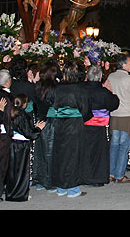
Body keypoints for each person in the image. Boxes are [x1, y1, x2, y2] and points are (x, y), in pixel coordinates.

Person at [50, 61, 92, 198]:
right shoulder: (80, 89)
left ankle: (61, 186)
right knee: (73, 155)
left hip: (59, 124)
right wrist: (78, 117)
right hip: (74, 124)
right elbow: (85, 110)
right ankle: (72, 188)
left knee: (60, 154)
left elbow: (51, 104)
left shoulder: (56, 88)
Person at [80, 65, 119, 187]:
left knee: (84, 151)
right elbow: (114, 104)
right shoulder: (103, 91)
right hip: (98, 125)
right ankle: (96, 179)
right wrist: (111, 93)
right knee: (99, 153)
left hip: (82, 124)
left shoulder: (81, 88)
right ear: (100, 77)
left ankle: (83, 177)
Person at [107, 54, 130, 183]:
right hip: (126, 115)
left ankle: (110, 172)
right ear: (124, 64)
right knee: (124, 145)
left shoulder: (111, 76)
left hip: (115, 114)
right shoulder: (129, 79)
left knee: (114, 144)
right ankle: (119, 174)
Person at [6, 94, 45, 201]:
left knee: (13, 170)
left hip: (12, 143)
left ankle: (11, 192)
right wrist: (38, 129)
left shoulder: (11, 112)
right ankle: (20, 194)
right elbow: (29, 133)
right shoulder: (21, 115)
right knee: (22, 171)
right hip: (21, 146)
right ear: (24, 103)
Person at [32, 60, 59, 192]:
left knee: (40, 150)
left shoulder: (37, 86)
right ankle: (50, 181)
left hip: (40, 119)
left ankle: (40, 180)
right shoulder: (54, 87)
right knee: (51, 151)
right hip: (52, 120)